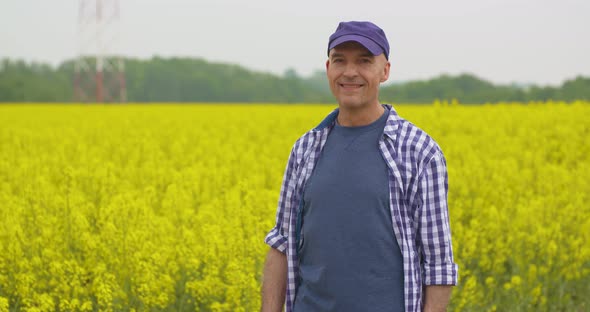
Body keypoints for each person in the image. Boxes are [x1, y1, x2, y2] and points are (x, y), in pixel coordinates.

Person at [261, 21, 458, 312]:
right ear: (328, 68)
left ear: (385, 71)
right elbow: (281, 247)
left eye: (364, 61)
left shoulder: (419, 152)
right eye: (340, 60)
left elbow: (438, 265)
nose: (350, 72)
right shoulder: (304, 149)